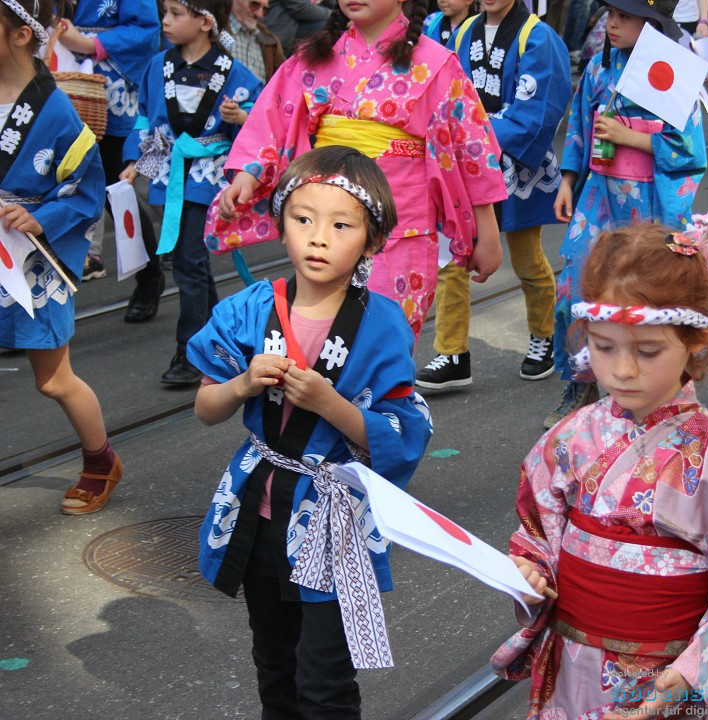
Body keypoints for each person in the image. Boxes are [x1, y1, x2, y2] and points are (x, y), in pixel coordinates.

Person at [491, 224, 708, 719]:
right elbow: (536, 532)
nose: (622, 370)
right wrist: (530, 572)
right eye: (604, 347)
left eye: (647, 351)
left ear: (696, 344)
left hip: (668, 673)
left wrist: (690, 674)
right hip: (574, 659)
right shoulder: (571, 437)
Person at [188, 146, 433, 718]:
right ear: (280, 224)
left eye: (341, 225)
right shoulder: (249, 310)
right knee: (274, 665)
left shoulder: (381, 323)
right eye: (303, 219)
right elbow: (206, 406)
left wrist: (331, 404)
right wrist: (244, 384)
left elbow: (404, 429)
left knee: (324, 680)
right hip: (261, 513)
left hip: (333, 518)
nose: (318, 238)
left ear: (373, 242)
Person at [211, 0, 507, 340]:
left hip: (401, 230)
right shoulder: (314, 57)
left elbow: (470, 150)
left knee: (385, 343)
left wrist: (487, 232)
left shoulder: (436, 64)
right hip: (325, 228)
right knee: (318, 341)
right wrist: (248, 174)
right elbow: (273, 117)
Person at [546, 0, 707, 428]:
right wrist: (567, 178)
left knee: (647, 296)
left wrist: (631, 137)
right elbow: (580, 126)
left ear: (653, 23)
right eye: (610, 14)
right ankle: (581, 381)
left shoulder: (673, 71)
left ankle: (654, 387)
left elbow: (689, 149)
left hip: (647, 198)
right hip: (598, 194)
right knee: (573, 290)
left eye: (625, 16)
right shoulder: (600, 68)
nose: (611, 24)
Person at [0, 0, 122, 515]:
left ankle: (101, 461)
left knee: (53, 379)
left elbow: (85, 193)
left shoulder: (57, 111)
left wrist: (40, 219)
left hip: (28, 253)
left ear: (20, 36)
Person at [415, 0, 570, 389]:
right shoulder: (464, 32)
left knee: (526, 259)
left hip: (515, 164)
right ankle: (452, 352)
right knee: (453, 258)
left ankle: (543, 336)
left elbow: (539, 109)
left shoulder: (537, 36)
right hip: (468, 162)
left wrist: (473, 137)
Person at [122, 0, 264, 385]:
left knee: (189, 260)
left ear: (205, 22)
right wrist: (135, 157)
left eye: (175, 13)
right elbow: (142, 115)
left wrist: (241, 118)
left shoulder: (235, 72)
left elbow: (261, 125)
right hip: (171, 171)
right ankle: (217, 342)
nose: (165, 21)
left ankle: (190, 352)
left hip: (208, 174)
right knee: (191, 261)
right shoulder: (158, 66)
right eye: (164, 12)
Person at [58, 0, 166, 321]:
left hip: (108, 93)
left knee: (114, 191)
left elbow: (146, 31)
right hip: (57, 82)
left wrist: (89, 44)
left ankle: (149, 276)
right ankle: (35, 298)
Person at [229, 0, 286, 83]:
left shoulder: (270, 42)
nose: (259, 14)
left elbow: (284, 80)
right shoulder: (212, 33)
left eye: (265, 9)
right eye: (254, 5)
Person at [262, 0, 330, 55]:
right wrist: (332, 15)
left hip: (289, 30)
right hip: (274, 34)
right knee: (326, 28)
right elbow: (301, 8)